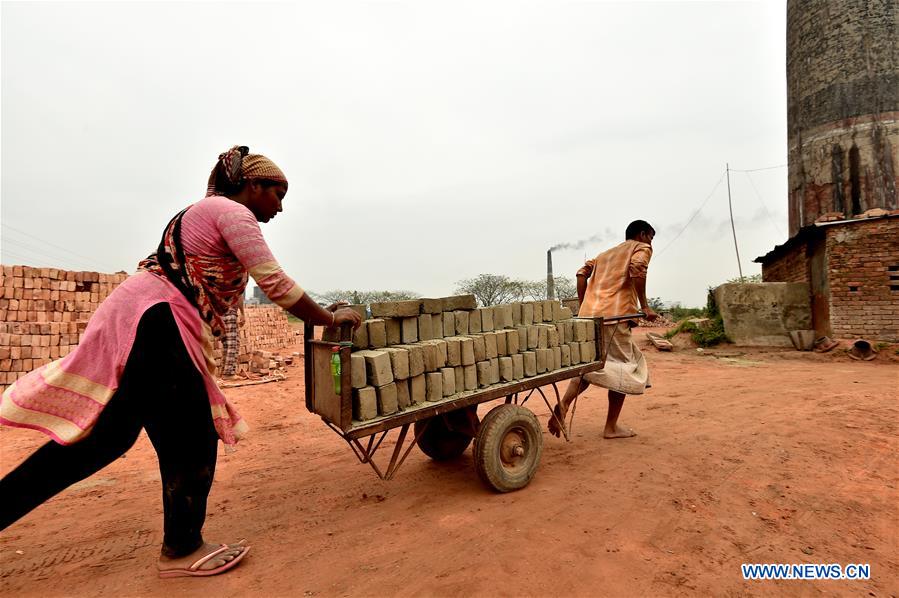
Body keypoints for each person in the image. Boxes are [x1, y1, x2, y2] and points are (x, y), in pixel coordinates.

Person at [0, 146, 362, 578]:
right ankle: (182, 548)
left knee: (103, 441)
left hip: (144, 317)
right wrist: (329, 319)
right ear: (251, 186)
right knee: (190, 437)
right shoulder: (229, 211)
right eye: (276, 194)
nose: (280, 206)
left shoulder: (201, 212)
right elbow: (274, 281)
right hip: (157, 321)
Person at [548, 219, 658, 440]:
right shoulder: (641, 248)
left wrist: (583, 307)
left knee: (591, 366)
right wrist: (644, 306)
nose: (651, 243)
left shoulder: (605, 254)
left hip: (591, 318)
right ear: (643, 234)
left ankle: (564, 403)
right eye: (651, 238)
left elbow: (581, 273)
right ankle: (611, 427)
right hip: (615, 318)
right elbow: (637, 268)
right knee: (623, 370)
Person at [220, 296, 245, 380]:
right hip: (230, 312)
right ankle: (229, 374)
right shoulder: (234, 283)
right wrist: (243, 313)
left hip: (220, 315)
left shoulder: (217, 283)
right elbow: (239, 296)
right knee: (233, 344)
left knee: (226, 344)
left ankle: (223, 371)